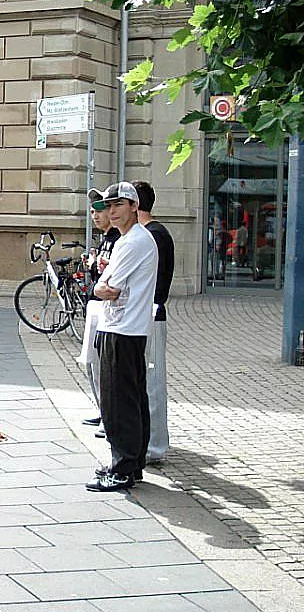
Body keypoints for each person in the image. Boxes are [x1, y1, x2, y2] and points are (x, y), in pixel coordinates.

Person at [88, 181, 158, 492]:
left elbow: (107, 287)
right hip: (125, 328)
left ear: (133, 206)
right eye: (108, 206)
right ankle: (131, 463)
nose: (111, 212)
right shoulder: (129, 240)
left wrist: (100, 287)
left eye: (118, 204)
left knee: (118, 402)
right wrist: (103, 285)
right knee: (131, 398)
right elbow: (106, 283)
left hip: (122, 329)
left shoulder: (133, 242)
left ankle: (124, 466)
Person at [133, 181, 175, 464]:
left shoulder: (154, 235)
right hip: (142, 316)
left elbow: (154, 284)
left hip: (150, 315)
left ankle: (155, 446)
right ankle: (147, 442)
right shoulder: (150, 233)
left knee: (152, 382)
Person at [78, 190, 120, 433]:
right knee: (92, 363)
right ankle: (103, 410)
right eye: (93, 211)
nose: (96, 215)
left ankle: (109, 416)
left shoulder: (117, 239)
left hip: (108, 309)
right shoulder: (105, 239)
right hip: (97, 305)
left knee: (103, 365)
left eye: (100, 210)